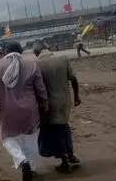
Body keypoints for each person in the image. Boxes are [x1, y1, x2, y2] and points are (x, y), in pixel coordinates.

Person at [0, 41, 48, 181]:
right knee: (31, 139)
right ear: (20, 51)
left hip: (8, 109)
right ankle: (32, 169)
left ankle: (21, 159)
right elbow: (40, 88)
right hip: (30, 109)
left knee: (6, 137)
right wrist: (45, 103)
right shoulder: (32, 65)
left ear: (5, 52)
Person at [34, 40, 82, 173]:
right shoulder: (63, 59)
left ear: (37, 52)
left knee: (54, 132)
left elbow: (36, 88)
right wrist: (76, 96)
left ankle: (65, 160)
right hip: (64, 102)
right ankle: (69, 154)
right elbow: (73, 79)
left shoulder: (36, 65)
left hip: (47, 105)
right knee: (63, 126)